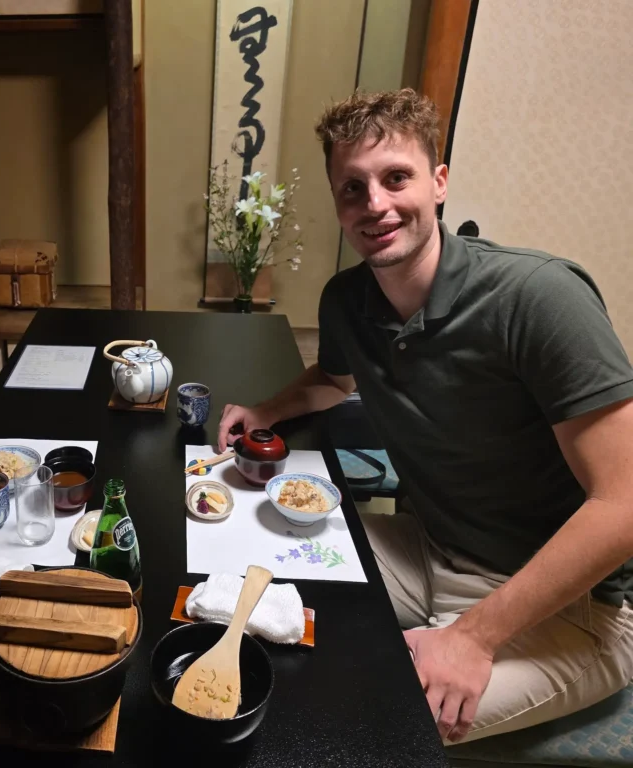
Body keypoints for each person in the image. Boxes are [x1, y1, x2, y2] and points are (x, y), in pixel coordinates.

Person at [218, 89, 633, 743]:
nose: (375, 204)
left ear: (438, 183)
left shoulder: (539, 298)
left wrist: (472, 636)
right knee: (253, 566)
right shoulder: (347, 300)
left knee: (368, 722)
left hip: (568, 605)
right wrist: (267, 409)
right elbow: (332, 378)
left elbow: (625, 505)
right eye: (352, 188)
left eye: (395, 178)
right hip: (433, 546)